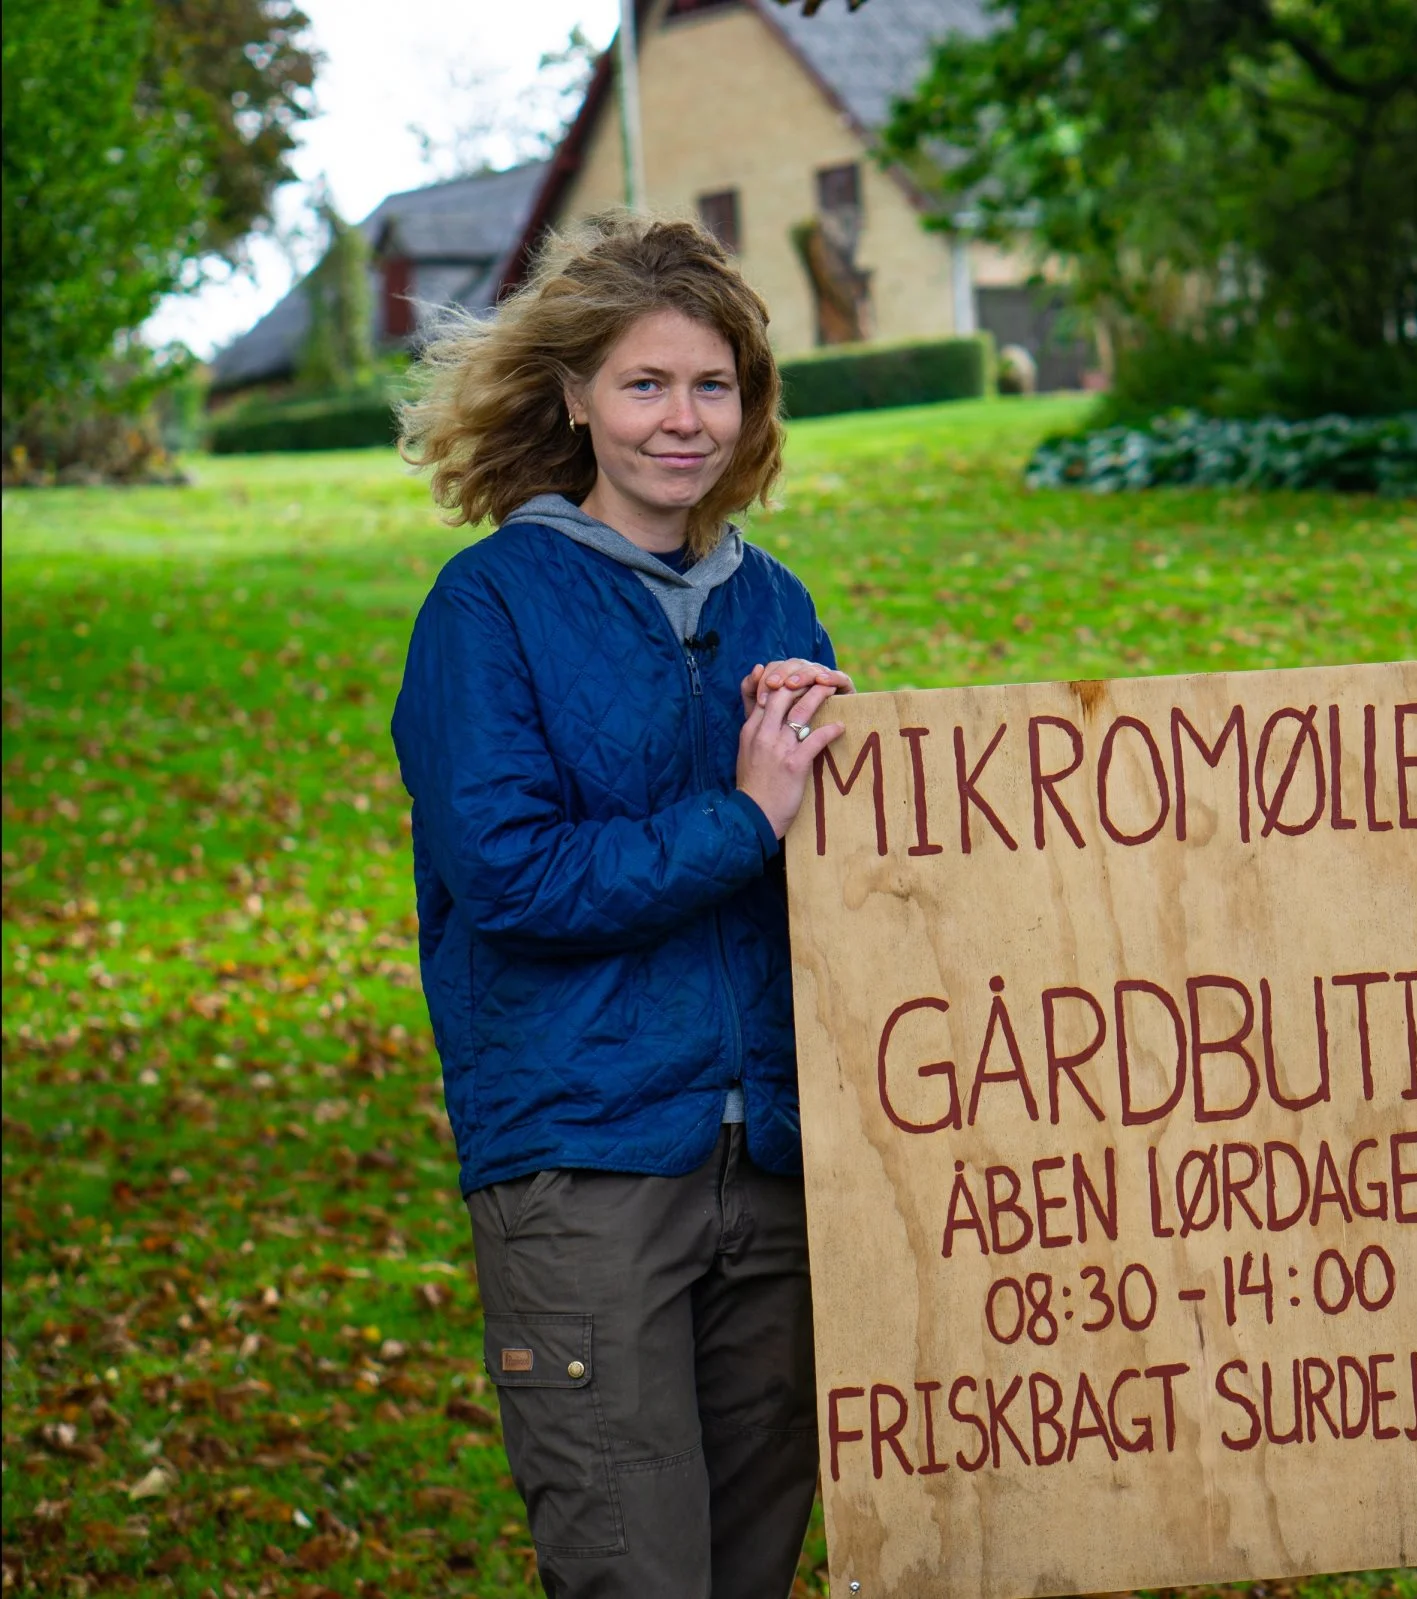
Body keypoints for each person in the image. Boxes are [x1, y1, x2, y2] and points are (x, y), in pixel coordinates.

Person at [392, 212, 851, 1599]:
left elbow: (855, 884)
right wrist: (746, 813)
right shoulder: (489, 609)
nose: (682, 419)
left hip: (773, 1166)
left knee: (751, 1572)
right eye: (645, 383)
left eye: (713, 385)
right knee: (636, 1575)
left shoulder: (779, 608)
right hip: (584, 1167)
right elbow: (514, 877)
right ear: (575, 395)